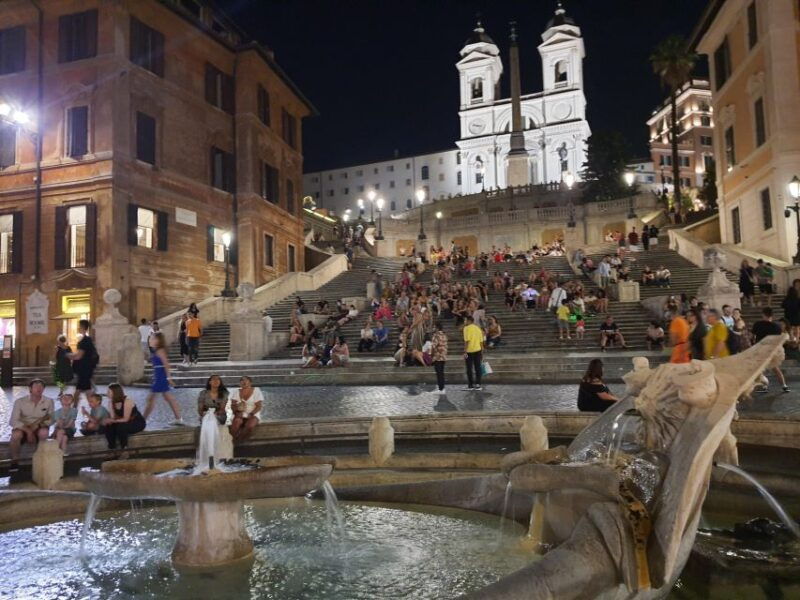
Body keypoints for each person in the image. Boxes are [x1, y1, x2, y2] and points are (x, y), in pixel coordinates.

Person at [8, 379, 54, 470]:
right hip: (23, 427)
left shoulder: (49, 401)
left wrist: (38, 425)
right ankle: (15, 460)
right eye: (36, 386)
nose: (39, 388)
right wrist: (28, 431)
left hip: (39, 426)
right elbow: (13, 420)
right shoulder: (19, 402)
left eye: (41, 386)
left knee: (44, 433)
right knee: (16, 435)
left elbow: (51, 418)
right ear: (30, 389)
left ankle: (40, 458)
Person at [143, 333, 183, 426]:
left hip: (160, 378)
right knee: (168, 398)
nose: (150, 340)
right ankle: (178, 418)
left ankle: (143, 420)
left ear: (158, 340)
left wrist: (168, 378)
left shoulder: (160, 351)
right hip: (159, 376)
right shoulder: (156, 351)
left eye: (152, 339)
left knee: (151, 399)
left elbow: (166, 364)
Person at [751, 307, 790, 393]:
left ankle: (764, 386)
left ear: (763, 314)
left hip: (759, 349)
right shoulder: (776, 327)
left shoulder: (757, 324)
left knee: (759, 370)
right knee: (775, 369)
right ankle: (784, 385)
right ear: (772, 315)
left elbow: (753, 337)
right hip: (771, 351)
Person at [104, 383, 146, 453]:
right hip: (123, 422)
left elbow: (126, 419)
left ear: (115, 392)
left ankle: (124, 450)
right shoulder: (110, 402)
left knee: (121, 427)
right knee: (109, 426)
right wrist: (108, 421)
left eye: (108, 392)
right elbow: (113, 418)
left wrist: (113, 421)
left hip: (136, 422)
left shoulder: (127, 401)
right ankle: (112, 449)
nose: (106, 393)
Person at [69, 319, 98, 406]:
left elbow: (79, 356)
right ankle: (74, 410)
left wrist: (68, 355)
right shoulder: (88, 340)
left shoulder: (84, 341)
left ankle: (95, 409)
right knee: (82, 391)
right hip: (86, 370)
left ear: (82, 327)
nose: (78, 327)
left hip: (84, 370)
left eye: (79, 326)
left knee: (83, 391)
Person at [230, 376, 263, 442]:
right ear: (240, 383)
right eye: (242, 380)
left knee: (250, 425)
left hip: (253, 413)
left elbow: (259, 406)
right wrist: (236, 412)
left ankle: (239, 440)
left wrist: (251, 414)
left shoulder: (256, 391)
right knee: (236, 422)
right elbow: (233, 405)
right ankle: (232, 440)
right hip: (240, 413)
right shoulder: (236, 391)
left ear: (250, 382)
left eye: (246, 380)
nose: (244, 382)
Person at [462, 315, 484, 391]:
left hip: (469, 351)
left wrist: (464, 351)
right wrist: (482, 352)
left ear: (469, 321)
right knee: (478, 368)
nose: (464, 322)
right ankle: (478, 384)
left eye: (465, 320)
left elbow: (467, 341)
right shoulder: (478, 328)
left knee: (469, 368)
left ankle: (470, 385)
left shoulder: (466, 328)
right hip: (478, 350)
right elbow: (481, 341)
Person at [431, 322, 448, 394]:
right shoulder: (444, 335)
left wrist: (431, 355)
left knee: (439, 373)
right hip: (443, 356)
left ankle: (440, 389)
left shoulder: (436, 335)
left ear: (437, 328)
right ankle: (442, 388)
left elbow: (433, 346)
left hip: (437, 356)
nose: (433, 328)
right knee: (442, 372)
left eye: (434, 327)